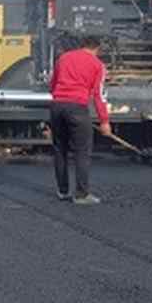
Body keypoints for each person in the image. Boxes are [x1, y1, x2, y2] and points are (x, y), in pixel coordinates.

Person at [48, 36, 111, 205]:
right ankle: (81, 194)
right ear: (97, 49)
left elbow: (52, 84)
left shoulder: (63, 58)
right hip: (77, 108)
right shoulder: (97, 65)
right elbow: (98, 95)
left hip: (57, 106)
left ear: (81, 45)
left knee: (60, 149)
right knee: (82, 151)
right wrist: (104, 121)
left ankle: (62, 190)